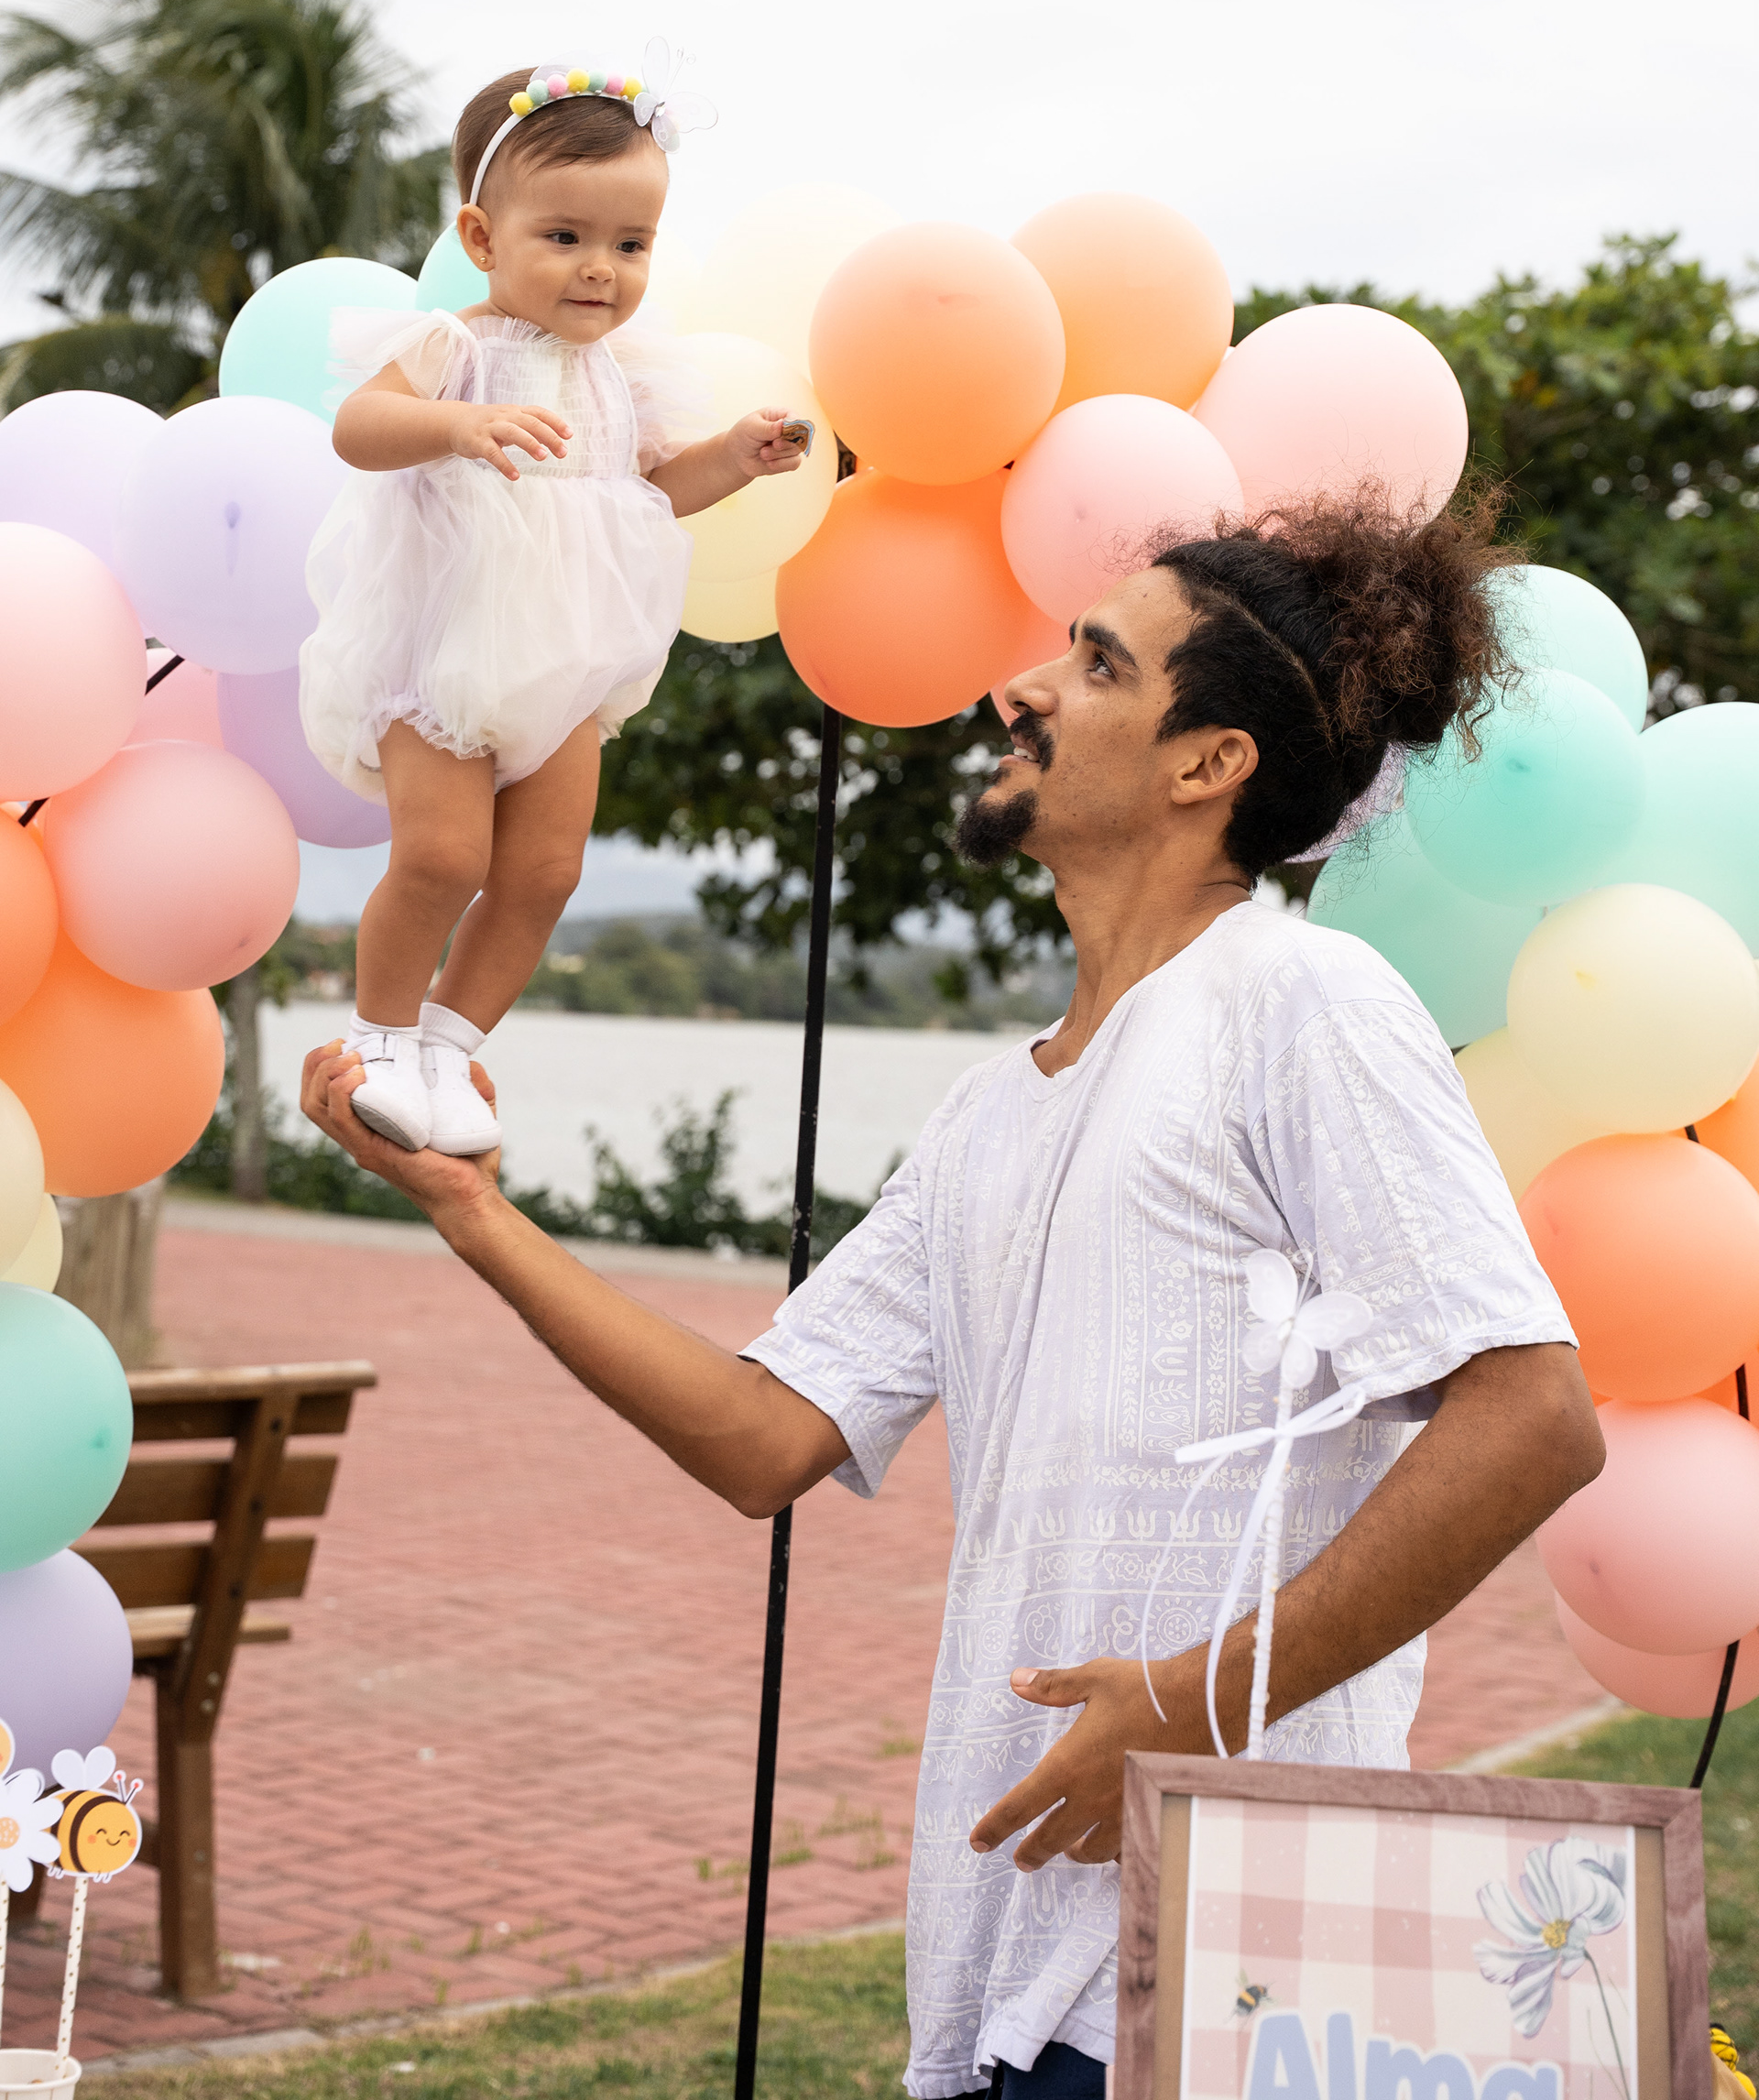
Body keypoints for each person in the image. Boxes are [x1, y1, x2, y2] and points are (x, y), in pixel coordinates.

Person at [299, 493, 1605, 2100]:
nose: (1023, 689)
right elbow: (761, 1435)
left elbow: (1532, 1414)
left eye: (1099, 666)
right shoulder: (992, 1111)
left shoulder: (1303, 996)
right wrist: (473, 1214)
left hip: (1242, 1969)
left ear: (1208, 765)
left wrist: (1193, 1702)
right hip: (1004, 1973)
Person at [299, 58, 807, 1160]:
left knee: (544, 873)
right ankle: (381, 1037)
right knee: (444, 858)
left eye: (631, 245)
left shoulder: (626, 374)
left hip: (569, 664)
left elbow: (649, 492)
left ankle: (449, 1047)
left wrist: (732, 457)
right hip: (439, 656)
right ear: (483, 239)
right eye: (565, 236)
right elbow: (357, 430)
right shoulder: (453, 349)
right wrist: (456, 425)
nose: (599, 270)